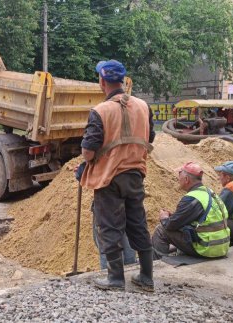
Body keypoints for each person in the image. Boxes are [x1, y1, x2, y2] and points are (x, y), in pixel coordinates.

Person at [79, 59, 156, 292]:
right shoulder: (143, 106)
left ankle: (115, 279)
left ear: (102, 81)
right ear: (122, 80)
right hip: (135, 174)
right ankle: (146, 277)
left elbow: (88, 151)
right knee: (138, 224)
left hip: (109, 178)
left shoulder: (100, 111)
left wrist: (87, 164)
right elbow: (149, 138)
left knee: (109, 227)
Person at [152, 162, 230, 259]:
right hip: (222, 246)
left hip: (208, 248)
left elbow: (171, 225)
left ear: (186, 179)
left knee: (161, 230)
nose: (178, 179)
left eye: (179, 175)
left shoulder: (192, 198)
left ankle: (159, 265)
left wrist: (164, 218)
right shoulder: (209, 192)